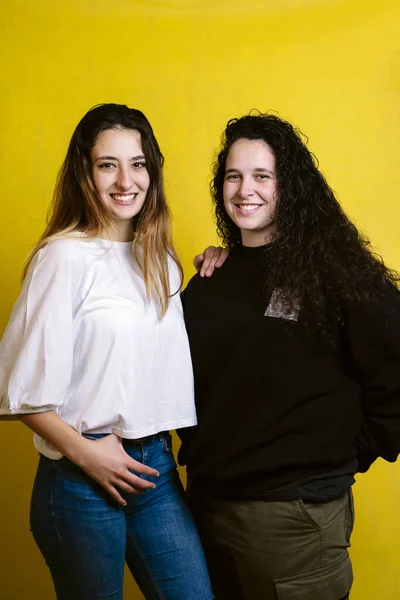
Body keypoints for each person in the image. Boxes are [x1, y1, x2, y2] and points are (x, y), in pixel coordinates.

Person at [0, 103, 218, 600]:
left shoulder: (159, 260)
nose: (126, 180)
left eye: (137, 164)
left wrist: (223, 257)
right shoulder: (62, 257)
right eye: (107, 164)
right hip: (80, 473)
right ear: (85, 173)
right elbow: (19, 390)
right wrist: (88, 456)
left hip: (155, 468)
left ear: (152, 172)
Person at [179, 113, 400, 600]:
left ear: (291, 185)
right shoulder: (212, 277)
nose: (244, 190)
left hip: (293, 519)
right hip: (205, 506)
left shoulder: (334, 270)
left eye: (262, 175)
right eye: (233, 176)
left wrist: (345, 455)